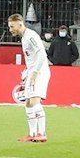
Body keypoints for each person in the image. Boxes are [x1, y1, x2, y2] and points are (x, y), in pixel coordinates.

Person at [8, 12, 50, 143]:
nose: (10, 30)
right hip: (32, 72)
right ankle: (32, 134)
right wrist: (28, 71)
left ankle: (42, 133)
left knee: (34, 101)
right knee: (27, 103)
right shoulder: (24, 38)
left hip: (40, 72)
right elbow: (32, 57)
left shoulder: (31, 36)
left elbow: (42, 54)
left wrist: (35, 72)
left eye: (12, 26)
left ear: (20, 24)